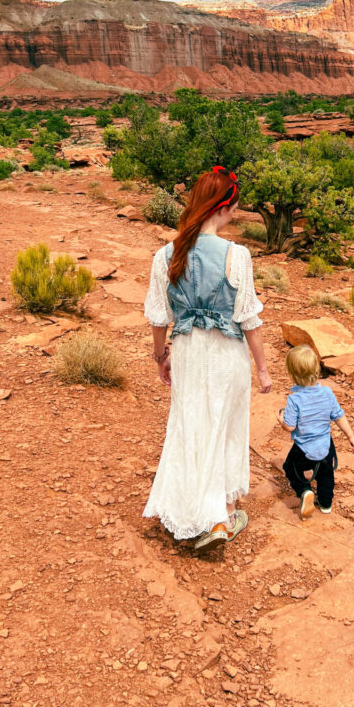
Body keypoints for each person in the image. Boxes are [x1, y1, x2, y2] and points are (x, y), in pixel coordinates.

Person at [143, 166, 272, 550]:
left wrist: (161, 356)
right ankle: (221, 516)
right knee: (226, 427)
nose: (234, 214)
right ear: (223, 207)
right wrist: (263, 368)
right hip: (226, 354)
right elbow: (249, 318)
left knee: (190, 426)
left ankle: (197, 509)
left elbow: (158, 316)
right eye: (233, 207)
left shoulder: (166, 254)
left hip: (187, 352)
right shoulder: (238, 254)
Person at [277, 344, 354, 519]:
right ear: (316, 369)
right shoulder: (328, 392)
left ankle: (304, 490)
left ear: (292, 374)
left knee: (290, 468)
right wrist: (350, 436)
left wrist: (281, 419)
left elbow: (290, 426)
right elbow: (338, 416)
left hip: (303, 449)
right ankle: (326, 503)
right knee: (326, 473)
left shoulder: (294, 399)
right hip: (326, 446)